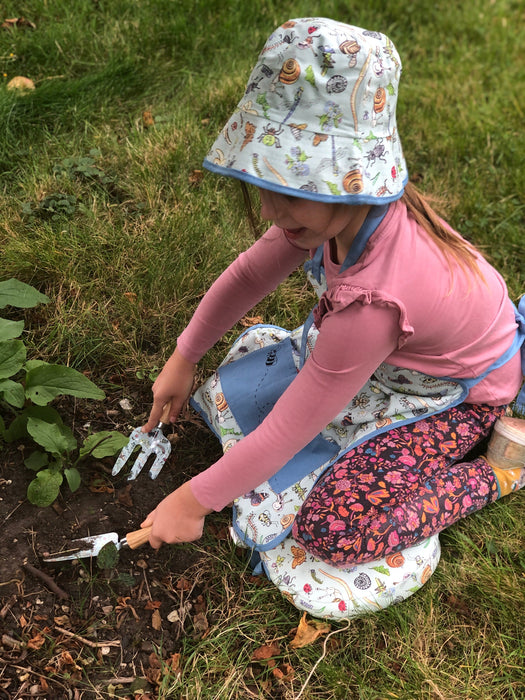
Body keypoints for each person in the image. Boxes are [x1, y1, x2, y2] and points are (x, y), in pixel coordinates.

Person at [140, 18, 524, 614]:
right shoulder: (340, 212)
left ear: (354, 184)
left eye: (293, 189)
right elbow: (247, 276)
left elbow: (291, 427)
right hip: (384, 363)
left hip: (458, 398)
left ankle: (495, 476)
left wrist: (193, 502)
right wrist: (183, 356)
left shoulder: (375, 300)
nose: (271, 208)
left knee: (334, 530)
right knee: (235, 381)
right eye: (265, 183)